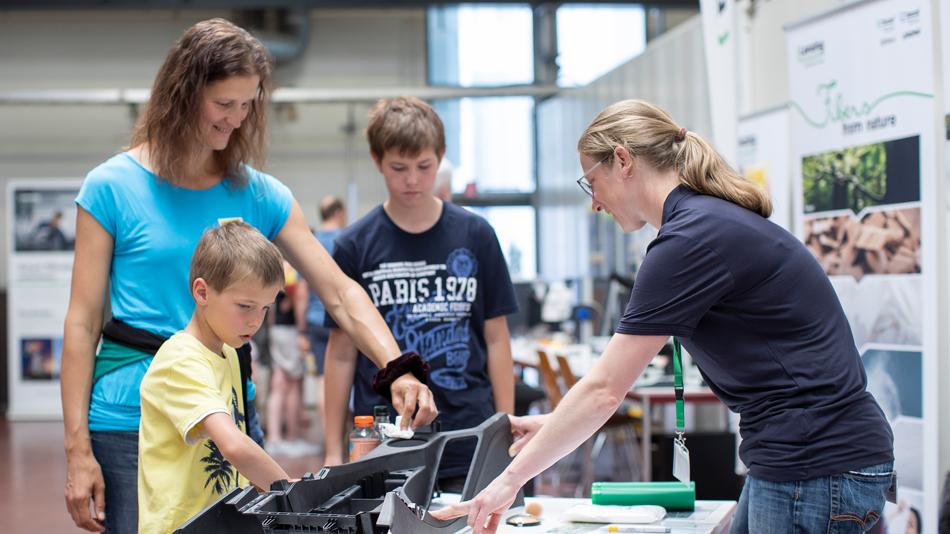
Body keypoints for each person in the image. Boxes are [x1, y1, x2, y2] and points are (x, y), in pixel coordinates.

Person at [432, 99, 894, 533]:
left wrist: (507, 482)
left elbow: (604, 390)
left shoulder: (689, 238)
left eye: (590, 181)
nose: (594, 202)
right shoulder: (703, 222)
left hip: (815, 461)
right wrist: (555, 426)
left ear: (623, 160)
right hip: (806, 455)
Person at [61, 19, 436, 534]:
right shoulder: (111, 187)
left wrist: (399, 369)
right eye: (223, 104)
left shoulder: (260, 194)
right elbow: (82, 323)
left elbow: (342, 293)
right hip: (130, 421)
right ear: (183, 94)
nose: (235, 120)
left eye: (247, 105)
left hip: (232, 413)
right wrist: (77, 449)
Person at [322, 96, 518, 492]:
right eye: (399, 168)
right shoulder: (353, 245)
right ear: (377, 161)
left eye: (424, 167)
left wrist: (505, 431)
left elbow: (497, 339)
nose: (412, 179)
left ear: (441, 157)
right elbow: (341, 352)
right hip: (383, 438)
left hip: (468, 434)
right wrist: (330, 450)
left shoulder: (476, 235)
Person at [138, 222, 291, 534]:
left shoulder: (231, 354)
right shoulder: (181, 360)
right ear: (202, 291)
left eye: (265, 308)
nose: (255, 320)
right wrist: (293, 495)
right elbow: (234, 446)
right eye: (245, 306)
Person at [298, 195, 348, 435]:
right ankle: (343, 434)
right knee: (345, 376)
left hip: (316, 320)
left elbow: (301, 292)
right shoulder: (347, 240)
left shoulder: (312, 242)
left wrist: (301, 329)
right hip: (344, 321)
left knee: (322, 378)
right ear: (339, 213)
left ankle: (330, 437)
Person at [264, 261, 319, 457]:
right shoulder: (295, 268)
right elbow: (301, 297)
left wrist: (271, 329)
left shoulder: (277, 267)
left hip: (277, 329)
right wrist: (303, 331)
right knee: (294, 384)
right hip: (291, 330)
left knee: (279, 384)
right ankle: (292, 439)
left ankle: (274, 437)